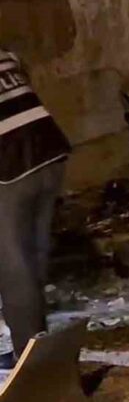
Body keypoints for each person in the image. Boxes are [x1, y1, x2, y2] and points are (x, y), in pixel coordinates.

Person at [0, 46, 71, 369]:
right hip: (49, 150)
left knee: (14, 269)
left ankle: (30, 364)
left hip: (14, 164)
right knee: (33, 259)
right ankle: (35, 343)